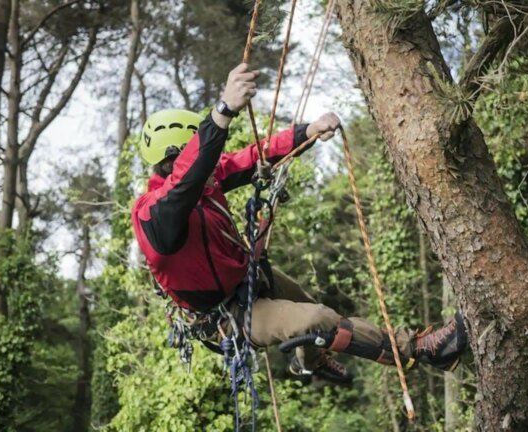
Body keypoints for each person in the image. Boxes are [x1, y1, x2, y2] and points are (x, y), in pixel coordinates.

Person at [131, 63, 467, 384]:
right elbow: (183, 188)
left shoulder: (208, 178)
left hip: (246, 278)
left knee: (307, 300)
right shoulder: (153, 216)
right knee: (317, 320)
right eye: (202, 159)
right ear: (174, 161)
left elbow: (252, 157)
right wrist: (222, 111)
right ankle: (422, 351)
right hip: (227, 317)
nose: (214, 166)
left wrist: (307, 131)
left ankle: (311, 361)